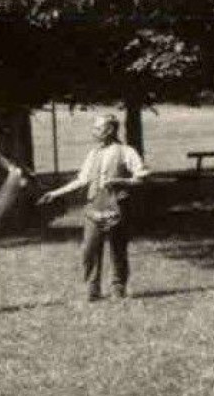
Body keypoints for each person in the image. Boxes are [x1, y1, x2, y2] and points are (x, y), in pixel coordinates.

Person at [39, 114, 151, 301]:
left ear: (110, 130)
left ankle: (118, 288)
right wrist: (55, 193)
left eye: (98, 128)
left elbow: (143, 176)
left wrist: (121, 181)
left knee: (117, 248)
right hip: (93, 205)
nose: (94, 132)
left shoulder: (126, 151)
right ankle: (92, 288)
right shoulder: (93, 153)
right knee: (89, 249)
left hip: (116, 206)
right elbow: (82, 180)